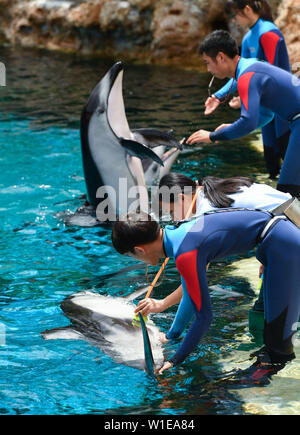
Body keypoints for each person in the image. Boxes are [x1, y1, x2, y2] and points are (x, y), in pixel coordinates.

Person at [111, 210, 300, 383]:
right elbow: (189, 297)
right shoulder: (177, 234)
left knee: (278, 350)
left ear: (139, 250)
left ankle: (260, 383)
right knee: (272, 325)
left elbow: (205, 318)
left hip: (284, 247)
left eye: (130, 255)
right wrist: (172, 336)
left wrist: (175, 360)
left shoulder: (185, 253)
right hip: (277, 240)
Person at [137, 173, 291, 335]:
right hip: (290, 221)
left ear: (182, 198)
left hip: (291, 231)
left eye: (172, 211)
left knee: (268, 316)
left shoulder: (205, 214)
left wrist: (166, 316)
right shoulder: (209, 189)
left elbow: (192, 285)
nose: (174, 219)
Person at [187, 30, 300, 198]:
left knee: (286, 193)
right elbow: (266, 116)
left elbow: (248, 122)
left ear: (220, 57)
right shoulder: (250, 64)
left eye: (208, 62)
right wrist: (218, 98)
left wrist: (212, 136)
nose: (208, 69)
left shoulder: (248, 76)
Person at [205, 0, 291, 179]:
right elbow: (240, 71)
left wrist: (247, 96)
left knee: (288, 155)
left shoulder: (269, 33)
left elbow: (268, 74)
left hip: (282, 108)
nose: (235, 20)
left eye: (235, 14)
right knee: (271, 161)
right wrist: (219, 96)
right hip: (267, 108)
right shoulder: (248, 38)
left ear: (247, 9)